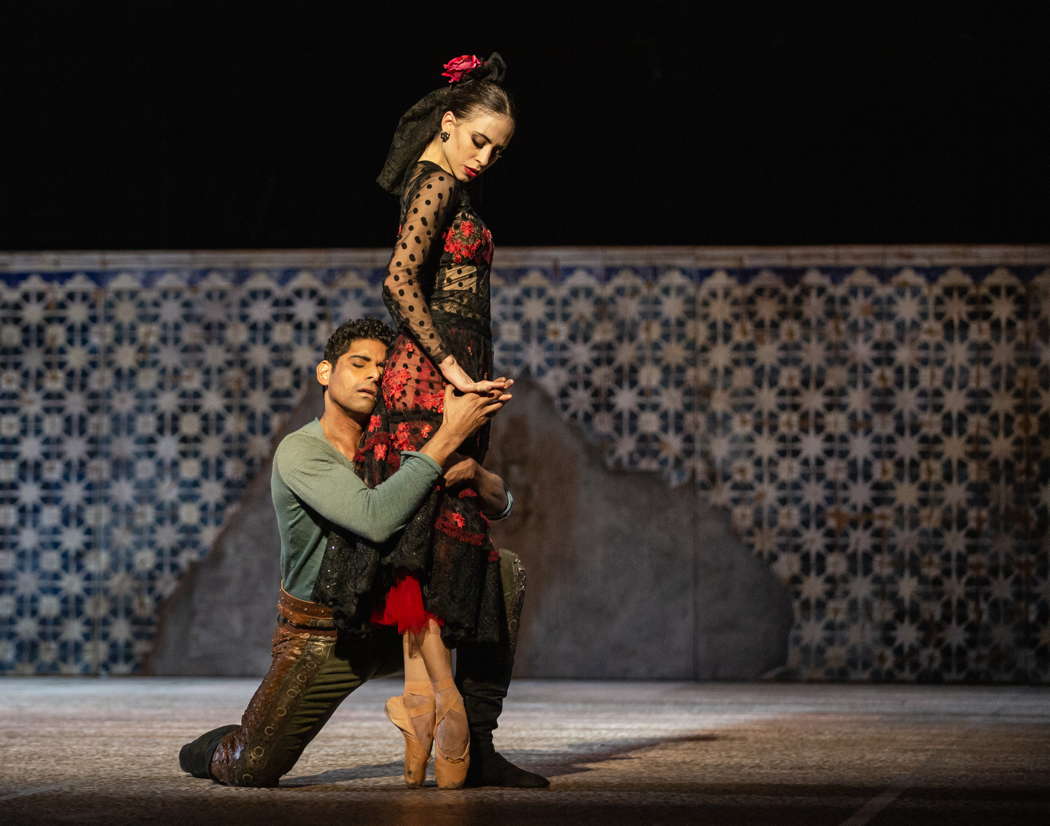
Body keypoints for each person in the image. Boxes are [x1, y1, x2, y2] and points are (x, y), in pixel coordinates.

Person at [178, 318, 548, 789]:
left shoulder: (401, 443)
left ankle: (476, 747)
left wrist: (475, 473)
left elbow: (501, 506)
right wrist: (447, 438)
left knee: (504, 573)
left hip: (399, 623)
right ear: (325, 373)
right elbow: (375, 518)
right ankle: (215, 746)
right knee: (252, 766)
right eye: (359, 363)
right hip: (326, 635)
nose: (373, 374)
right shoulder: (302, 451)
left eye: (383, 366)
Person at [312, 52, 518, 790]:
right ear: (449, 120)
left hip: (450, 365)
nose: (485, 158)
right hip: (429, 374)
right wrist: (455, 371)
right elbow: (399, 280)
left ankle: (422, 710)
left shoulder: (445, 185)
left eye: (498, 150)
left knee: (431, 535)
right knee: (417, 532)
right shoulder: (432, 181)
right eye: (479, 140)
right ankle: (449, 704)